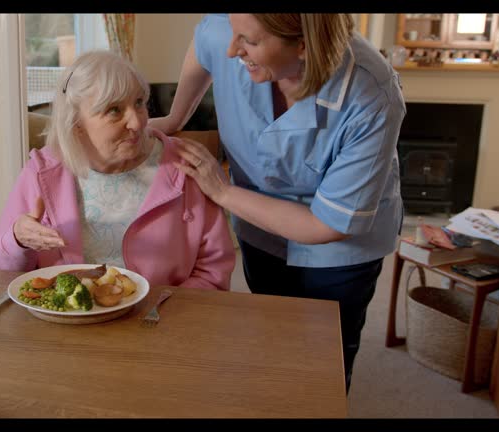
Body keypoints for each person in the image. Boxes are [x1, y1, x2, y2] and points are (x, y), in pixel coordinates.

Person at [150, 14, 405, 391]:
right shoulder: (234, 28)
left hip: (340, 247)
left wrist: (221, 192)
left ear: (302, 44)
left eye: (248, 42)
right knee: (271, 337)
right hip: (258, 222)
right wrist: (176, 115)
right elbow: (205, 47)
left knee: (325, 358)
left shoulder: (371, 95)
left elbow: (327, 225)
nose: (233, 49)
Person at [0, 50, 235, 291]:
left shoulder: (187, 165)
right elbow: (0, 276)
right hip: (67, 327)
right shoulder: (41, 172)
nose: (138, 122)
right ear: (76, 123)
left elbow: (213, 273)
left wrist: (157, 313)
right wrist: (17, 240)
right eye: (114, 110)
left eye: (139, 103)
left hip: (162, 322)